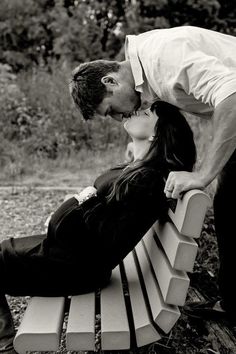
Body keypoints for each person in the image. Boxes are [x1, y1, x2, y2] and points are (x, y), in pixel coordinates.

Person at [69, 25, 236, 323]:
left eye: (112, 111)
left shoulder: (162, 58)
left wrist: (203, 174)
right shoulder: (148, 65)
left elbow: (232, 95)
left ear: (110, 81)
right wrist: (140, 147)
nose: (120, 118)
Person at [0, 102, 196, 354]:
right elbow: (92, 227)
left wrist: (72, 204)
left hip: (76, 269)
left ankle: (5, 345)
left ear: (156, 133)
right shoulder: (139, 173)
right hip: (75, 260)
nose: (135, 111)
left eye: (146, 113)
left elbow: (94, 237)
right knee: (4, 251)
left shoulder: (143, 181)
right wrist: (78, 204)